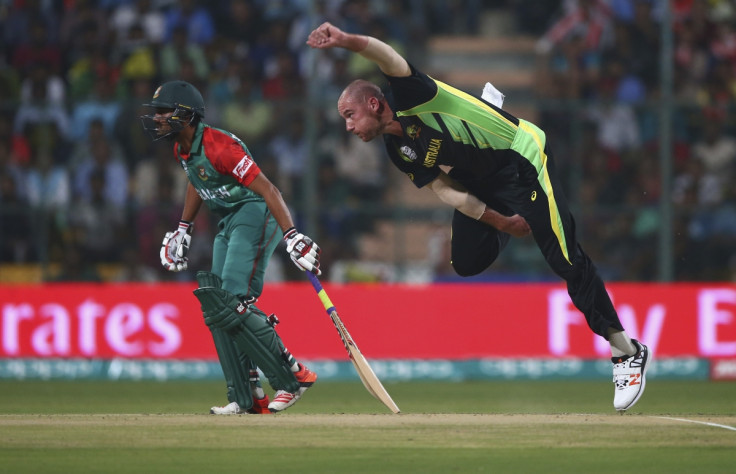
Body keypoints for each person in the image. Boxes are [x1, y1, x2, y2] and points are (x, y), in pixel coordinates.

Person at [307, 22, 650, 412]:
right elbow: (444, 190)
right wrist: (501, 222)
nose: (349, 127)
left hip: (521, 158)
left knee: (564, 259)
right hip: (481, 180)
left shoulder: (411, 93)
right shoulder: (397, 149)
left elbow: (386, 56)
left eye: (350, 115)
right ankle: (489, 118)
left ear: (373, 104)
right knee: (466, 262)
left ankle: (626, 352)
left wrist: (346, 41)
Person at [140, 80, 321, 414]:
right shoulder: (182, 148)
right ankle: (247, 396)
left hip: (254, 212)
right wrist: (184, 228)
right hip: (226, 220)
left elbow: (269, 189)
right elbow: (198, 181)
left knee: (234, 300)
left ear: (185, 114)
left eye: (163, 112)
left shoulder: (220, 147)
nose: (157, 118)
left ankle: (293, 376)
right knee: (217, 303)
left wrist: (291, 234)